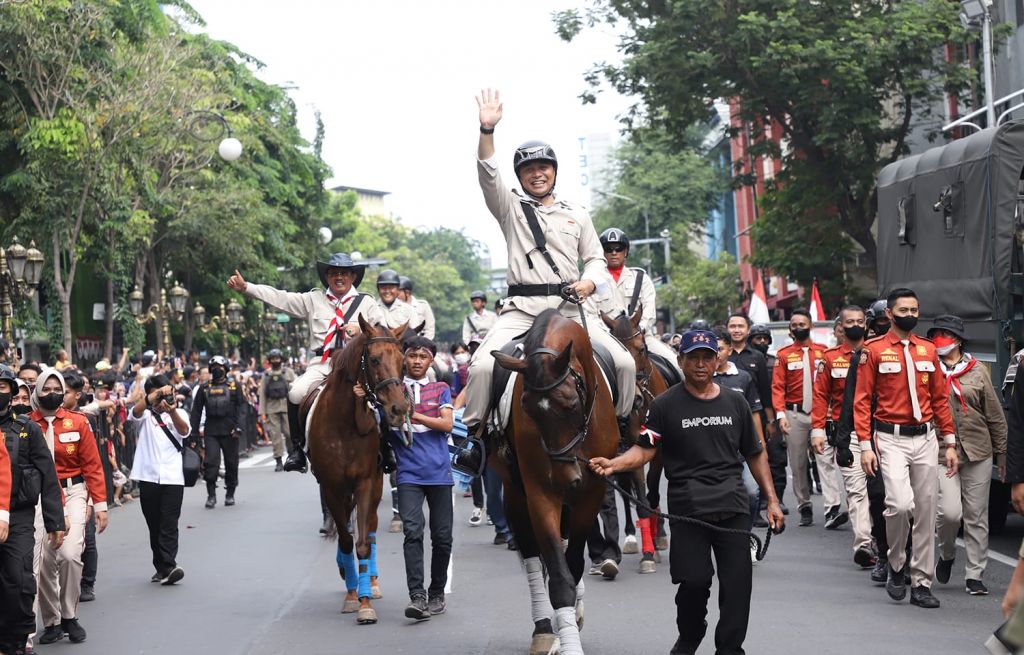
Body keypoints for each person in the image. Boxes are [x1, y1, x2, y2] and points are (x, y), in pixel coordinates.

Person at [588, 330, 784, 655]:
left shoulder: (735, 400)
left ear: (717, 359)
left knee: (737, 589)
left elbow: (755, 452)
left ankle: (729, 650)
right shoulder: (665, 405)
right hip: (687, 510)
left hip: (732, 507)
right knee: (693, 583)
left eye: (707, 357)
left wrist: (772, 501)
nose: (701, 364)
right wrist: (614, 464)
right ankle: (691, 635)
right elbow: (644, 450)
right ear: (681, 361)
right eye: (693, 357)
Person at [462, 88, 636, 441]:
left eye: (543, 167)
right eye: (528, 169)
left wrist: (589, 282)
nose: (537, 174)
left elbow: (596, 260)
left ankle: (619, 429)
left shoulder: (578, 213)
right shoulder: (510, 208)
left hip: (571, 309)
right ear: (521, 175)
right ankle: (476, 437)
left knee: (625, 364)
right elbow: (488, 172)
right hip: (522, 310)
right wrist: (487, 131)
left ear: (554, 171)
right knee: (481, 367)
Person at [227, 253, 383, 473]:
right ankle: (298, 449)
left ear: (352, 276)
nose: (339, 277)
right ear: (327, 277)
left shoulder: (366, 302)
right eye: (334, 273)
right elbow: (280, 298)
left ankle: (387, 448)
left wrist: (361, 331)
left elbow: (382, 332)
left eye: (344, 273)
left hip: (356, 366)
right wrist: (246, 288)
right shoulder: (313, 300)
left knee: (382, 393)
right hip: (323, 363)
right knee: (295, 392)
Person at [855, 287, 958, 609]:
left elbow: (940, 400)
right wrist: (865, 446)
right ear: (889, 314)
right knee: (900, 505)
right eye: (904, 310)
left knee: (927, 511)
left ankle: (921, 582)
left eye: (915, 310)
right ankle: (897, 563)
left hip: (926, 437)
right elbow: (861, 401)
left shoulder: (928, 351)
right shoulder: (872, 350)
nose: (910, 315)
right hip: (890, 438)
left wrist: (949, 442)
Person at [375, 336, 454, 621]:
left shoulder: (441, 388)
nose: (417, 361)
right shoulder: (391, 391)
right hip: (408, 473)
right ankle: (417, 597)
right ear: (403, 359)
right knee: (412, 532)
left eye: (423, 356)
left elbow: (447, 424)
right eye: (412, 356)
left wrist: (416, 416)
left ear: (431, 360)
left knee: (443, 538)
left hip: (439, 473)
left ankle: (437, 593)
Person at [928, 314, 1007, 596]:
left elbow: (995, 416)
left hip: (979, 452)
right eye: (936, 334)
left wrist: (1002, 455)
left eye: (945, 334)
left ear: (959, 340)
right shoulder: (927, 369)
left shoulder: (977, 371)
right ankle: (947, 554)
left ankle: (975, 574)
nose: (940, 339)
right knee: (949, 513)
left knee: (976, 515)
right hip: (940, 452)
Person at [29, 370, 108, 647]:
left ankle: (69, 615)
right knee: (45, 559)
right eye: (46, 388)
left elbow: (92, 465)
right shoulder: (26, 425)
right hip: (39, 496)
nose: (51, 392)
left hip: (73, 492)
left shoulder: (78, 422)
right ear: (36, 391)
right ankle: (51, 622)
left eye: (56, 388)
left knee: (71, 554)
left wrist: (99, 504)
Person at [0, 366, 64, 655]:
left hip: (19, 516)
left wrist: (55, 523)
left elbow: (48, 477)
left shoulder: (28, 429)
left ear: (12, 393)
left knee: (18, 578)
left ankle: (17, 640)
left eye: (2, 388)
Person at [811, 306, 873, 568]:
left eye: (860, 321)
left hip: (877, 430)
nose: (855, 325)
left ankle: (886, 542)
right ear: (841, 326)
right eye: (850, 321)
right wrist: (817, 429)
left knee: (883, 493)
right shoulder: (830, 358)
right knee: (857, 491)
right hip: (846, 434)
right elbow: (820, 395)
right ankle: (864, 545)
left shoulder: (876, 354)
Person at [127, 373, 191, 586]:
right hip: (148, 477)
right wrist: (153, 397)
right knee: (154, 523)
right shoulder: (144, 416)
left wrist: (172, 412)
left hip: (173, 478)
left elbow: (184, 431)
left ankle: (170, 566)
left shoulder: (179, 412)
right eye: (160, 393)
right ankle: (161, 566)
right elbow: (134, 412)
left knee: (169, 524)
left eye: (168, 391)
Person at [772, 308, 832, 527]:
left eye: (802, 324)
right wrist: (781, 415)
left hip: (820, 413)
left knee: (825, 461)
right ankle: (804, 505)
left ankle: (832, 506)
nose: (799, 327)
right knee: (798, 464)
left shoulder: (824, 352)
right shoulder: (784, 354)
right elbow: (778, 387)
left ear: (811, 326)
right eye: (794, 324)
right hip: (794, 414)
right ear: (790, 328)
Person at [598, 227, 681, 367]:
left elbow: (649, 312)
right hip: (607, 341)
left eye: (618, 248)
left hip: (641, 338)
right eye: (608, 248)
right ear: (602, 252)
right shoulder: (594, 281)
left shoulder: (641, 278)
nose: (613, 253)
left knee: (678, 366)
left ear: (626, 252)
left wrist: (637, 331)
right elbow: (591, 315)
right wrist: (609, 334)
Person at [729, 316, 786, 515]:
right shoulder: (721, 355)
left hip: (756, 417)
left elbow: (764, 391)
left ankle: (763, 503)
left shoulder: (757, 357)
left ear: (747, 330)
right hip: (728, 420)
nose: (736, 330)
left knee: (764, 457)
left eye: (740, 326)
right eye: (732, 326)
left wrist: (771, 421)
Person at [714, 332, 767, 531]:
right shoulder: (702, 378)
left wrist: (761, 446)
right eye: (713, 350)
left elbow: (754, 414)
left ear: (729, 350)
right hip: (714, 451)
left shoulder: (743, 378)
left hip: (743, 449)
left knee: (752, 492)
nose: (716, 354)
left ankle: (748, 533)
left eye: (720, 349)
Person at [190, 356, 244, 508]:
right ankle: (211, 495)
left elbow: (242, 408)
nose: (216, 370)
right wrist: (193, 433)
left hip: (230, 430)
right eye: (213, 367)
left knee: (231, 463)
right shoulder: (204, 388)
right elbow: (196, 412)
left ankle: (230, 493)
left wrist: (238, 427)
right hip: (211, 430)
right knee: (211, 463)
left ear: (226, 369)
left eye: (219, 367)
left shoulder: (234, 386)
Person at [259, 349, 295, 472]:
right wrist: (262, 412)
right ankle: (278, 460)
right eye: (273, 358)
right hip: (271, 408)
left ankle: (291, 454)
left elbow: (296, 388)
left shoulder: (288, 372)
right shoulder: (266, 375)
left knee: (289, 433)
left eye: (277, 358)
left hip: (286, 406)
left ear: (281, 359)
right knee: (275, 435)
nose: (275, 360)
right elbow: (262, 394)